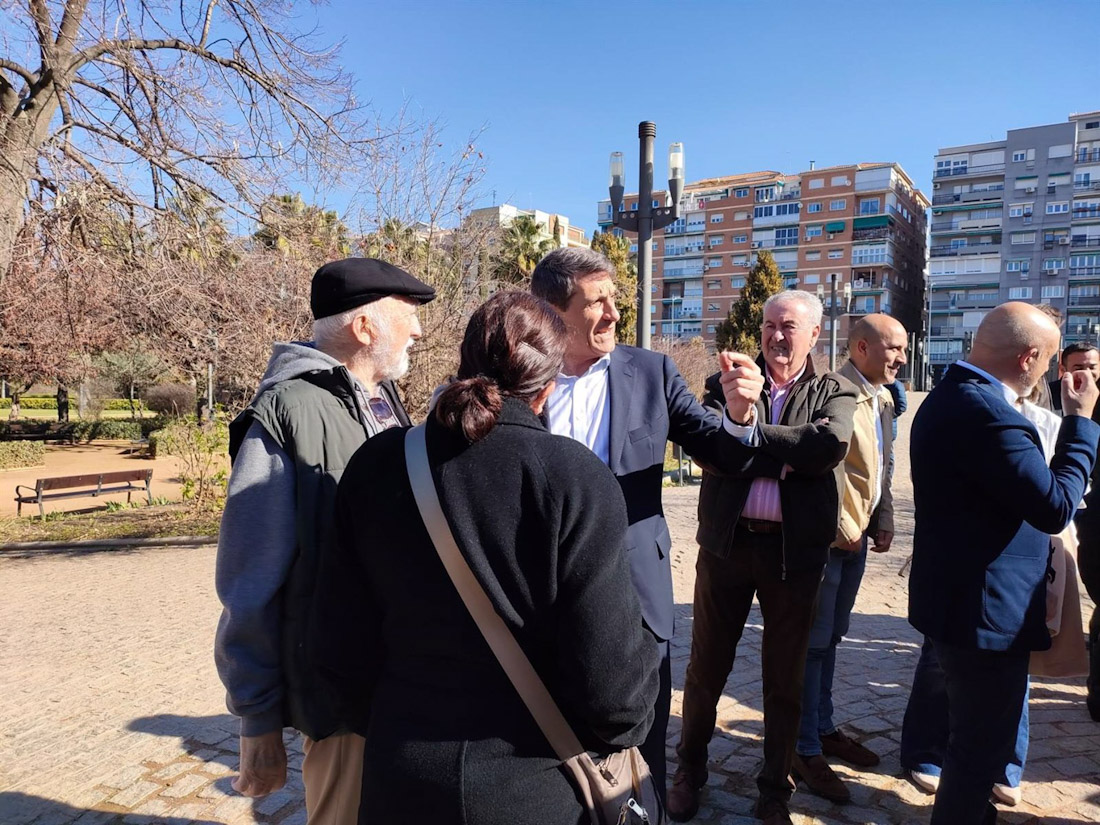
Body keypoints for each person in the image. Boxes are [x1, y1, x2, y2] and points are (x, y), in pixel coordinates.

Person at [319, 291, 660, 824]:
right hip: (537, 792)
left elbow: (338, 651)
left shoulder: (375, 464)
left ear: (464, 363)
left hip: (398, 779)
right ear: (547, 389)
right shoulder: (574, 477)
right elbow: (616, 701)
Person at [529, 247, 756, 802]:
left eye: (614, 299)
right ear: (553, 311)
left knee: (642, 729)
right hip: (540, 590)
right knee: (544, 726)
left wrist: (740, 415)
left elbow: (721, 452)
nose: (613, 314)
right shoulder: (519, 375)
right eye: (597, 302)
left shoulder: (652, 373)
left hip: (633, 587)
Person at [214, 258, 434, 823]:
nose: (418, 331)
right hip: (341, 695)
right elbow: (248, 581)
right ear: (363, 327)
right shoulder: (286, 409)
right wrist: (257, 717)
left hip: (398, 677)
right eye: (408, 316)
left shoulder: (381, 398)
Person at [669, 290, 857, 825]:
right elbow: (712, 451)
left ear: (814, 334)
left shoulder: (834, 389)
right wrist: (775, 451)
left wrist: (750, 434)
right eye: (769, 324)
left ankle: (775, 790)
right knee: (705, 670)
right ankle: (689, 770)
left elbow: (826, 447)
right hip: (727, 547)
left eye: (789, 326)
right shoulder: (725, 382)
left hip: (794, 555)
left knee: (785, 680)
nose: (776, 335)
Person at [908, 302, 1099, 824]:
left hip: (958, 602)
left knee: (973, 742)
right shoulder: (991, 415)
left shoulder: (951, 393)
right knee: (978, 752)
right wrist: (1080, 423)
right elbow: (1055, 506)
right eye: (1050, 359)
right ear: (1028, 357)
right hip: (985, 614)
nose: (1050, 371)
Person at [792, 314, 904, 804]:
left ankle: (824, 727)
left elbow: (881, 463)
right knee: (813, 645)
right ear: (861, 347)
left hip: (857, 540)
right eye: (894, 348)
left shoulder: (883, 398)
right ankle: (803, 748)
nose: (901, 358)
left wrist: (884, 517)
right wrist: (839, 527)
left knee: (831, 639)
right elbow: (814, 467)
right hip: (829, 543)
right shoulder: (829, 393)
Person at [1048, 342, 1099, 415]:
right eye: (1079, 368)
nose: (1087, 373)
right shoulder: (1047, 395)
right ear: (1063, 370)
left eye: (1092, 368)